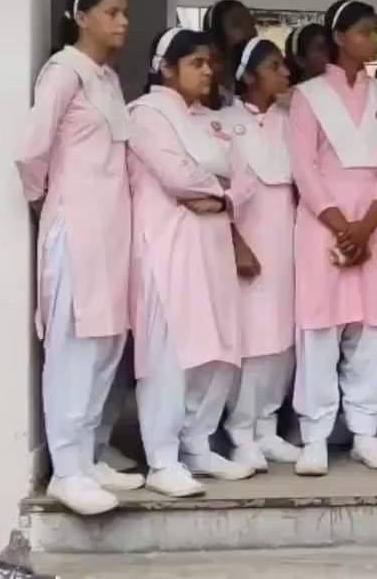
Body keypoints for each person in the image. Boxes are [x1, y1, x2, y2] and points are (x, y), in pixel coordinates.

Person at [17, 0, 141, 515]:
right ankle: (65, 470)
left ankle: (89, 456)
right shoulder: (62, 73)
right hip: (77, 225)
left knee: (106, 340)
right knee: (73, 341)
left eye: (126, 13)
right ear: (81, 16)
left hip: (114, 228)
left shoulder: (108, 79)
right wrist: (46, 204)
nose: (123, 22)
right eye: (112, 12)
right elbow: (32, 150)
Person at [128, 28, 253, 498]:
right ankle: (162, 458)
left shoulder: (209, 119)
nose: (208, 71)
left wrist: (217, 200)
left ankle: (197, 444)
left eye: (211, 63)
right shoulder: (145, 114)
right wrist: (217, 192)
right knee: (171, 352)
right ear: (166, 68)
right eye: (197, 63)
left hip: (213, 244)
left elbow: (243, 180)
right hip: (168, 247)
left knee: (216, 346)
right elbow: (175, 175)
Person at [288, 0, 377, 475]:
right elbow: (304, 165)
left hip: (376, 222)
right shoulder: (308, 95)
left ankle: (364, 430)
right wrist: (341, 225)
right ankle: (315, 433)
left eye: (376, 31)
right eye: (364, 32)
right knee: (320, 325)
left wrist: (366, 226)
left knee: (374, 328)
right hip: (324, 219)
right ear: (339, 38)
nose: (373, 39)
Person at [218, 38, 302, 472]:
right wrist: (235, 242)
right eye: (274, 67)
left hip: (285, 236)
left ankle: (267, 427)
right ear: (250, 75)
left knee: (281, 337)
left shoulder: (291, 122)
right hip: (248, 236)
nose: (285, 74)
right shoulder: (224, 122)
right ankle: (241, 430)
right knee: (251, 337)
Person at [202, 0, 257, 109]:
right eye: (237, 24)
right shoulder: (205, 62)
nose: (248, 27)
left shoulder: (248, 62)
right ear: (217, 29)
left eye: (250, 21)